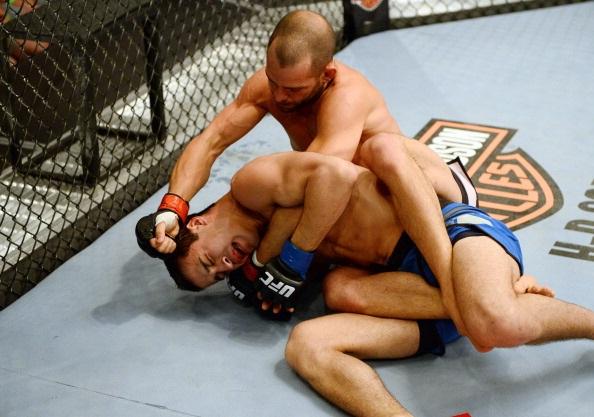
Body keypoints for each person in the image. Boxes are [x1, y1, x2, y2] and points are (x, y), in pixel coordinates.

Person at [137, 139, 594, 416]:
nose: (223, 268)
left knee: (496, 324)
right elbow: (314, 280)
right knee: (308, 342)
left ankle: (513, 304)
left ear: (195, 225)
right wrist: (275, 280)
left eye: (206, 262)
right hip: (407, 291)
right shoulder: (260, 250)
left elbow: (333, 177)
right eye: (215, 277)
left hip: (452, 234)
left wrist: (294, 258)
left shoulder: (254, 184)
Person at [146, 9, 464, 326]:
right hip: (362, 231)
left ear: (327, 75)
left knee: (364, 158)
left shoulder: (346, 98)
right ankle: (467, 308)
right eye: (274, 82)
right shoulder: (269, 87)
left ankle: (467, 292)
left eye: (294, 89)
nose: (281, 97)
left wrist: (264, 265)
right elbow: (211, 140)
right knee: (334, 291)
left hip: (420, 198)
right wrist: (172, 208)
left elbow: (318, 192)